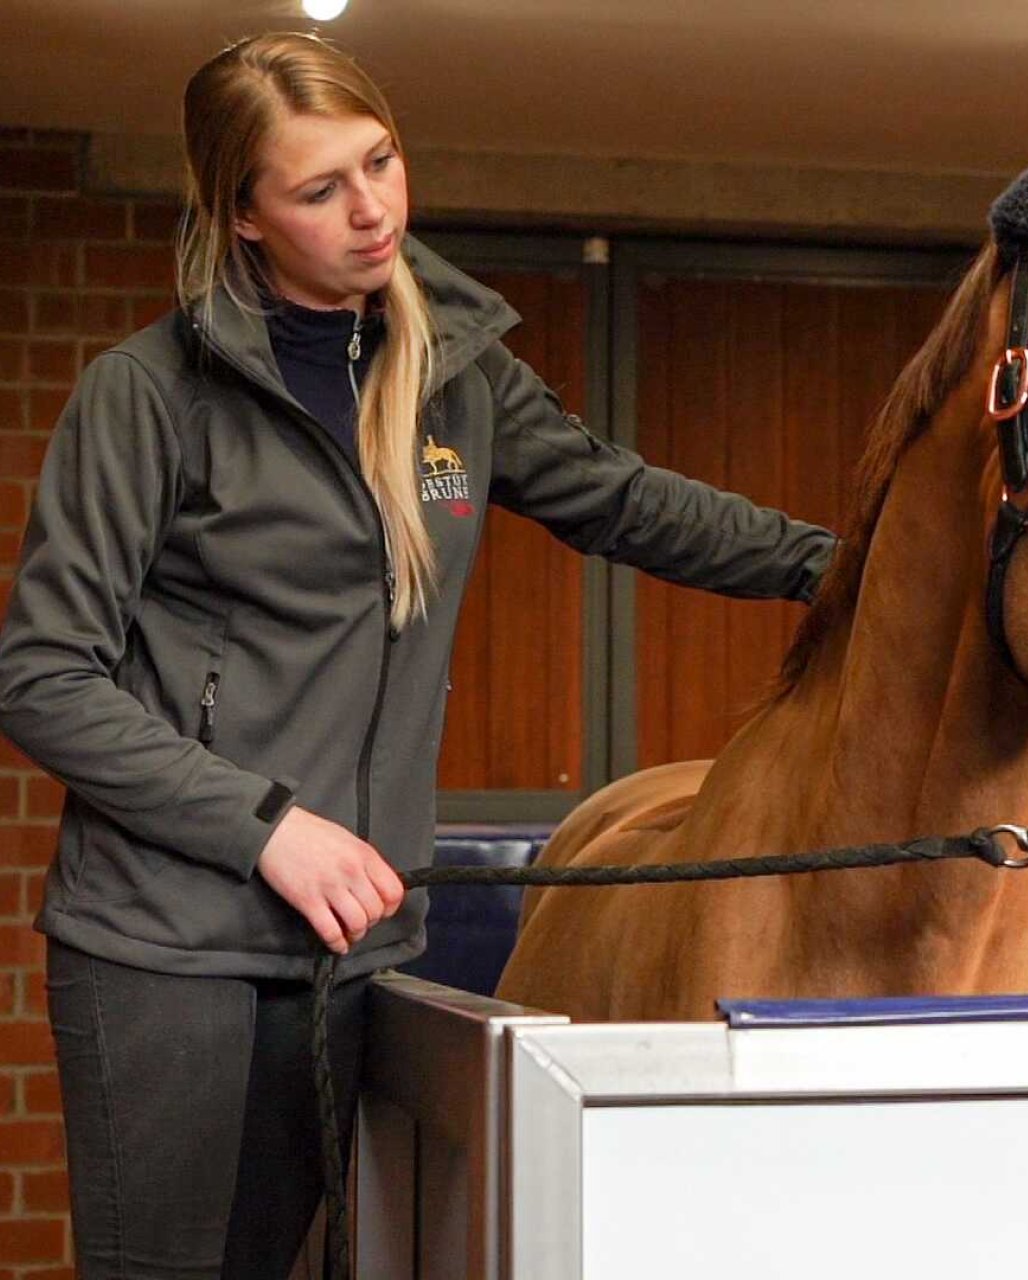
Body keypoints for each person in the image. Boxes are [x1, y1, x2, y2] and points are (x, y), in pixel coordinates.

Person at [0, 30, 835, 1279]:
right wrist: (268, 825)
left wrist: (844, 569)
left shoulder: (456, 375)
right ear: (242, 216)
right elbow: (41, 674)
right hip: (171, 950)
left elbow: (624, 499)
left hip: (355, 952)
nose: (372, 207)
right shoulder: (151, 397)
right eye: (318, 188)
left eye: (381, 161)